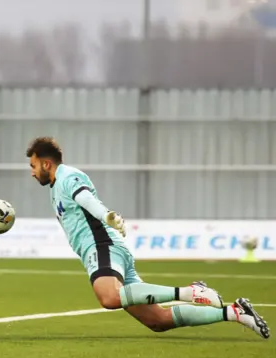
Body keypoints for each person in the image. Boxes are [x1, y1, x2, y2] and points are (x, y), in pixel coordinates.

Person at [25, 136, 270, 339]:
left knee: (109, 297)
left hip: (102, 246)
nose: (32, 173)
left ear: (47, 164)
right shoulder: (56, 186)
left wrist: (107, 215)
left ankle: (189, 291)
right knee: (158, 320)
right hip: (106, 250)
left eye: (33, 166)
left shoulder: (68, 176)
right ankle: (235, 312)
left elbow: (86, 198)